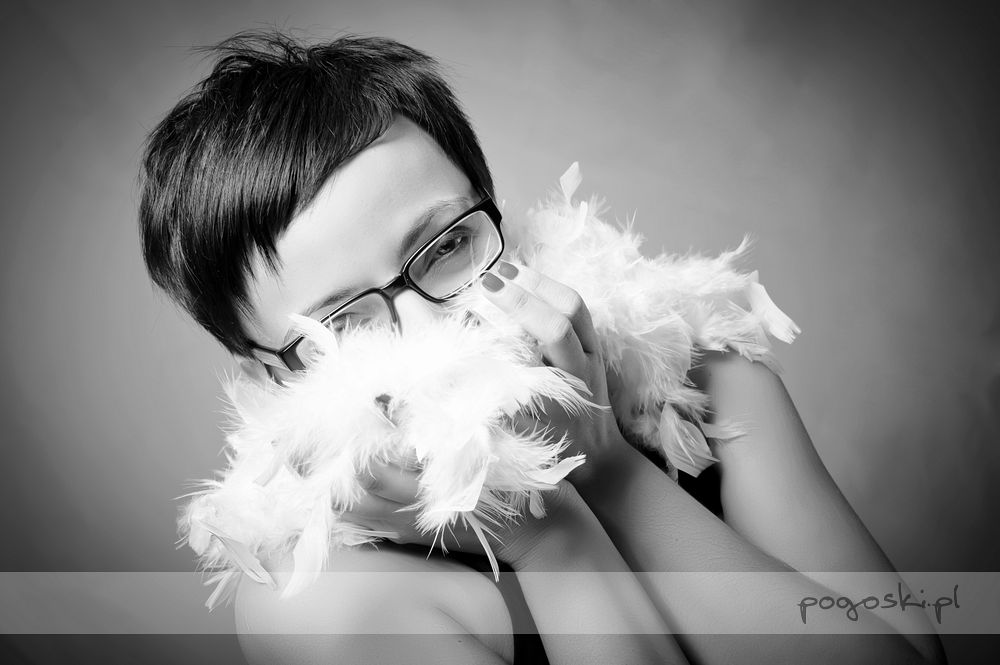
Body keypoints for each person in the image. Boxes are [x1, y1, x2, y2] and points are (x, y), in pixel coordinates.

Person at [138, 30, 947, 665]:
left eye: (446, 247)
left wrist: (612, 473)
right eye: (343, 322)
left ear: (498, 216)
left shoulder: (716, 387)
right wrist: (552, 542)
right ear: (269, 378)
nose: (433, 330)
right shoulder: (319, 600)